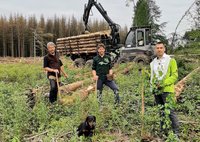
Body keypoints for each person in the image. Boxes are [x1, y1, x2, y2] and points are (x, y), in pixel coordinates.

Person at [150, 41, 179, 137]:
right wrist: (152, 88)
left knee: (170, 112)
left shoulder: (171, 60)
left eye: (161, 48)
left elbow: (175, 75)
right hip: (157, 91)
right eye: (157, 48)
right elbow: (152, 77)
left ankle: (176, 134)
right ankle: (163, 132)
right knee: (161, 112)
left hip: (167, 90)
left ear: (164, 49)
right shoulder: (153, 63)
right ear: (155, 50)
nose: (159, 49)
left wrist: (163, 83)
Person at [92, 43, 120, 108]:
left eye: (102, 49)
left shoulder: (108, 58)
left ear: (104, 50)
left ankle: (117, 105)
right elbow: (93, 69)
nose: (101, 50)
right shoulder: (95, 59)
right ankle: (100, 106)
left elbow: (110, 68)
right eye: (100, 49)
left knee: (116, 89)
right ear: (98, 50)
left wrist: (111, 73)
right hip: (99, 78)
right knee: (99, 92)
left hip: (107, 78)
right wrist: (94, 76)